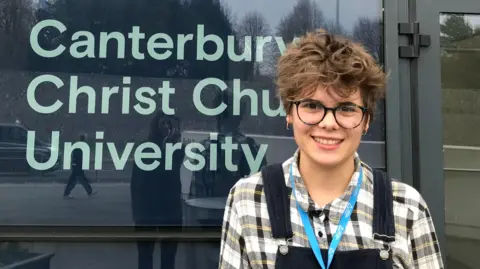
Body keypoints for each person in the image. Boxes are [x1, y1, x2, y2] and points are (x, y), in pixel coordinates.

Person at [218, 30, 444, 269]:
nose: (328, 123)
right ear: (289, 113)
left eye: (346, 108)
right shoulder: (248, 200)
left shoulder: (406, 207)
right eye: (312, 105)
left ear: (366, 121)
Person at [130, 111, 185, 269]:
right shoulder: (145, 149)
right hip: (148, 211)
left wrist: (173, 146)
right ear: (155, 126)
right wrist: (137, 212)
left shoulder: (176, 150)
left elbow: (172, 171)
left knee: (168, 259)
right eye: (164, 123)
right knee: (145, 258)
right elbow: (140, 180)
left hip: (170, 211)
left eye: (171, 125)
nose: (168, 128)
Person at [63, 133, 97, 198]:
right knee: (78, 180)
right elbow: (79, 156)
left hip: (76, 165)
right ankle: (89, 192)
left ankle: (67, 193)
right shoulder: (81, 146)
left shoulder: (79, 145)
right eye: (86, 137)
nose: (87, 139)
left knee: (77, 180)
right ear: (84, 138)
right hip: (77, 166)